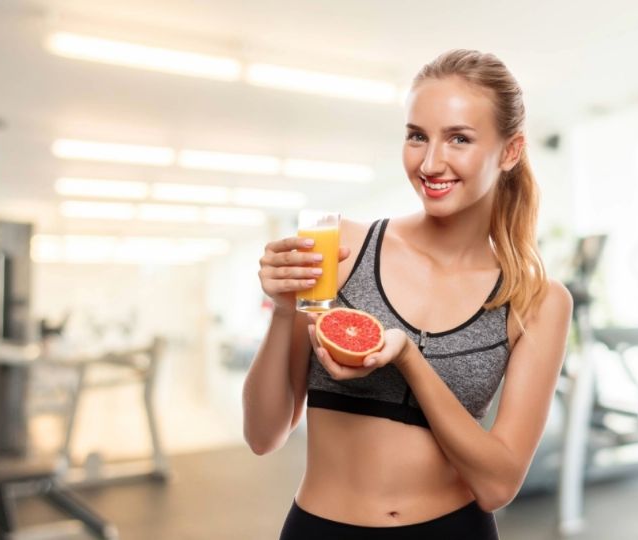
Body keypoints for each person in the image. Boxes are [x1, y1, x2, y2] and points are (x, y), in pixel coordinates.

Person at [243, 49, 572, 539]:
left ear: (509, 151)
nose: (430, 162)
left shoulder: (537, 298)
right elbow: (263, 435)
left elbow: (498, 484)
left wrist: (410, 361)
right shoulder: (338, 246)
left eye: (459, 138)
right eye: (417, 136)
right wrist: (284, 311)